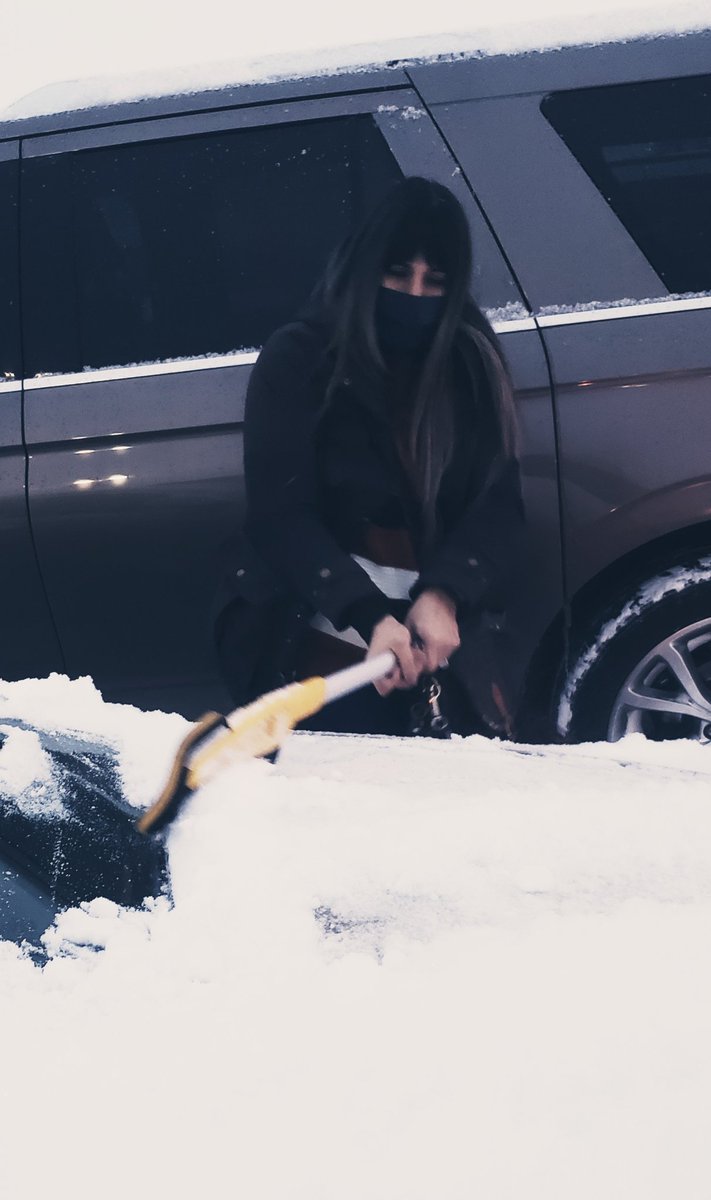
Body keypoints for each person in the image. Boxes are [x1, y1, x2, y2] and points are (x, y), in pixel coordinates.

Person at [213, 176, 526, 738]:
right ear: (365, 266)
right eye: (398, 272)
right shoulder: (302, 359)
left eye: (436, 280)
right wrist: (367, 615)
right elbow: (280, 516)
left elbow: (497, 506)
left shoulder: (469, 362)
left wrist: (445, 592)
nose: (415, 293)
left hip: (441, 649)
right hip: (315, 641)